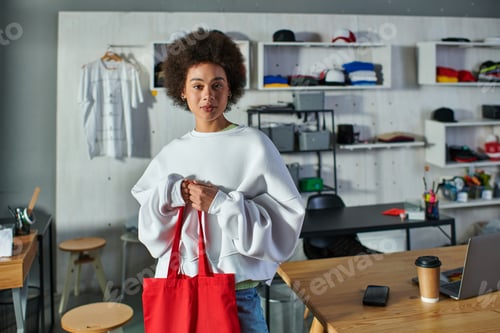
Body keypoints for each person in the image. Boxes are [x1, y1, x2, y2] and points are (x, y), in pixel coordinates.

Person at [131, 28, 305, 332]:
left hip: (237, 296)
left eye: (217, 85)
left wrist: (221, 204)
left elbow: (286, 224)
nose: (207, 95)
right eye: (197, 85)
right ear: (182, 91)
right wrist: (172, 193)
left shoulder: (254, 144)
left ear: (230, 89)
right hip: (181, 290)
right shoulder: (172, 153)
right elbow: (150, 235)